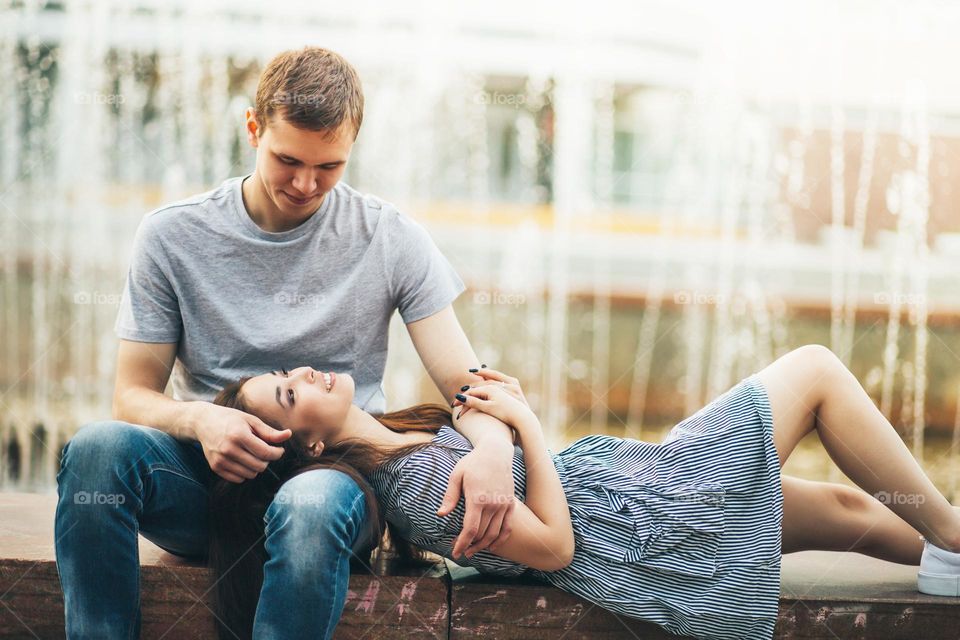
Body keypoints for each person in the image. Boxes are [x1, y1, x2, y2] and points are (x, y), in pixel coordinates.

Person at [54, 46, 519, 639]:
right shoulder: (172, 234)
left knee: (306, 506)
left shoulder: (389, 236)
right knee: (96, 450)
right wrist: (202, 422)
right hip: (210, 483)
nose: (305, 184)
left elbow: (467, 384)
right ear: (253, 128)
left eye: (329, 167)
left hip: (334, 475)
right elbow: (132, 395)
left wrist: (493, 451)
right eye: (287, 159)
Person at [210, 345, 960, 640]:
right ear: (307, 444)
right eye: (287, 393)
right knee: (818, 371)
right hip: (645, 519)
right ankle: (954, 535)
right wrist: (526, 424)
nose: (304, 374)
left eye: (291, 368)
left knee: (852, 512)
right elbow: (554, 547)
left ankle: (948, 551)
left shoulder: (407, 435)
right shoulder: (410, 490)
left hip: (631, 491)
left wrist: (495, 428)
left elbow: (484, 419)